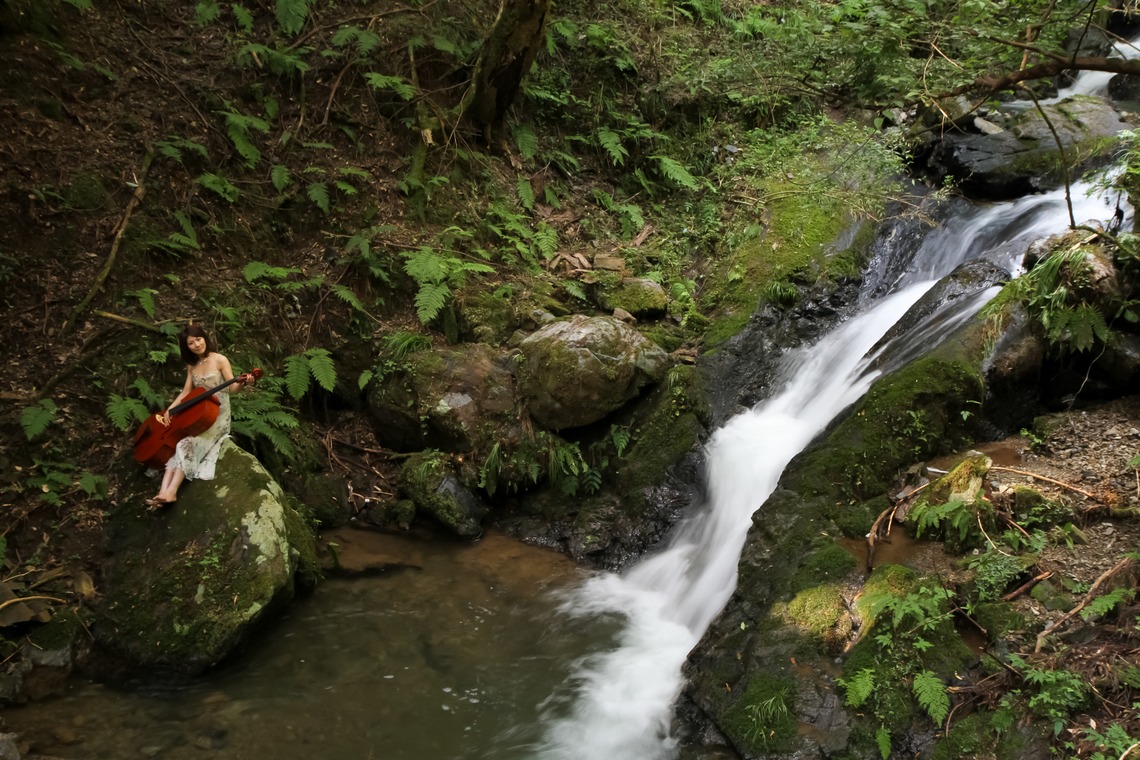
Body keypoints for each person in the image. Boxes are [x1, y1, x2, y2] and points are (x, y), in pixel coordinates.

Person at [147, 324, 249, 509]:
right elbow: (186, 391)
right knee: (176, 445)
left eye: (198, 339)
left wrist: (243, 383)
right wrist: (170, 410)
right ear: (187, 347)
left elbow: (233, 389)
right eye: (191, 343)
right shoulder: (191, 366)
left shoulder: (219, 360)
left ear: (205, 338)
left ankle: (172, 491)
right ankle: (162, 493)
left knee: (184, 443)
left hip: (218, 415)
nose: (196, 344)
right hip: (199, 413)